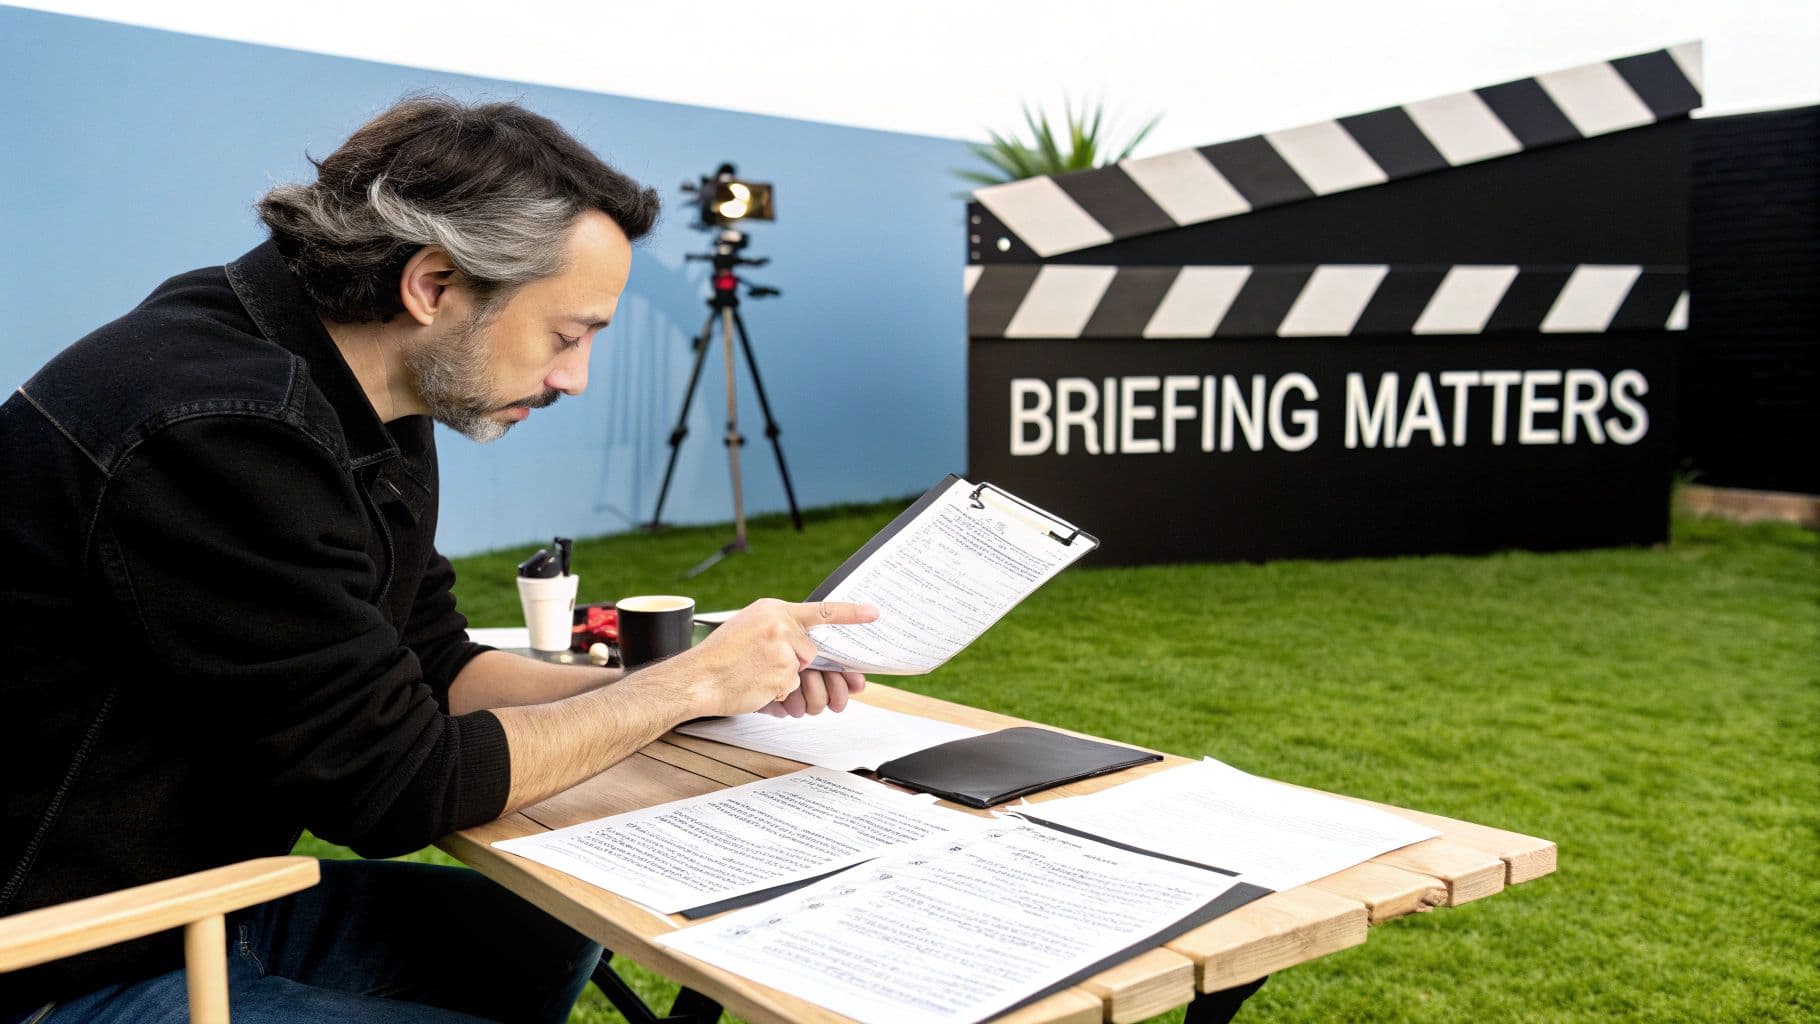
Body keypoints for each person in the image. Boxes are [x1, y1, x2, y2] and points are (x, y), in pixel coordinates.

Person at [0, 95, 875, 1023]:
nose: (574, 376)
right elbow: (397, 787)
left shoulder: (368, 381)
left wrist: (697, 686)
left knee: (537, 941)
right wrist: (680, 687)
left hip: (192, 898)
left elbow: (436, 663)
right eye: (567, 334)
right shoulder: (220, 427)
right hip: (64, 957)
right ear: (433, 285)